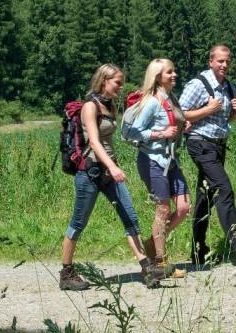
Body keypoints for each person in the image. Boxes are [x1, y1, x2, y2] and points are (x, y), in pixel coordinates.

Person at [59, 63, 166, 291]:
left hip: (109, 171)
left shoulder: (110, 106)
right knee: (78, 223)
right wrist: (113, 167)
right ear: (104, 81)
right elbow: (95, 142)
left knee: (130, 218)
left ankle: (146, 268)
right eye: (117, 82)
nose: (120, 86)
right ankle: (66, 272)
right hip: (90, 172)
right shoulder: (90, 106)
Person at [179, 44, 236, 265]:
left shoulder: (228, 87)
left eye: (227, 61)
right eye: (220, 61)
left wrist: (235, 113)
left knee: (204, 198)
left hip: (217, 145)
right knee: (223, 189)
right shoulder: (199, 84)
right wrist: (208, 109)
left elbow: (224, 122)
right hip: (199, 143)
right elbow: (178, 114)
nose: (225, 65)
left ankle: (198, 251)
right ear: (210, 62)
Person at [125, 58, 192, 279]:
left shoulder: (170, 98)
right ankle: (161, 262)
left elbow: (174, 124)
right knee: (162, 210)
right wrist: (161, 134)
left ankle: (151, 244)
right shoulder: (152, 101)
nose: (174, 75)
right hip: (152, 161)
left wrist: (183, 126)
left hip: (171, 161)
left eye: (174, 71)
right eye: (169, 73)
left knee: (183, 208)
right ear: (157, 77)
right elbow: (131, 133)